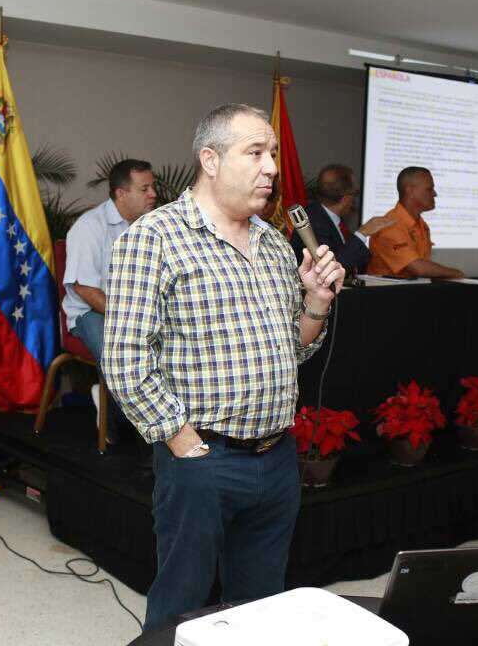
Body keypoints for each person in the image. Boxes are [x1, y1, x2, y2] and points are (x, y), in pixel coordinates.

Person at [101, 103, 344, 633]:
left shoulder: (276, 244)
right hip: (202, 461)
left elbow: (296, 348)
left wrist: (317, 302)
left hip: (277, 459)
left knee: (260, 614)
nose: (272, 168)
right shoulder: (153, 238)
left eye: (273, 154)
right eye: (255, 153)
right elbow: (124, 359)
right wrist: (183, 443)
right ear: (210, 160)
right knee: (180, 609)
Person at [63, 158, 156, 440]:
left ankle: (132, 416)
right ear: (121, 193)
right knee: (122, 354)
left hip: (137, 315)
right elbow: (84, 289)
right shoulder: (89, 227)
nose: (153, 194)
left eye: (153, 187)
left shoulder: (152, 227)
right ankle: (136, 431)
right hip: (90, 314)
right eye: (145, 189)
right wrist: (128, 321)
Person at [289, 164, 392, 273]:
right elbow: (330, 268)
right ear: (345, 199)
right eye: (355, 193)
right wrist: (363, 233)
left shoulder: (330, 218)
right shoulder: (313, 222)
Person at [367, 166, 465, 279]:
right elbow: (419, 268)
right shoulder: (389, 226)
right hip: (385, 294)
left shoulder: (422, 225)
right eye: (429, 189)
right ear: (411, 191)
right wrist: (457, 274)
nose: (435, 193)